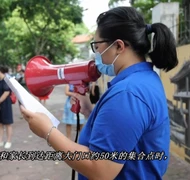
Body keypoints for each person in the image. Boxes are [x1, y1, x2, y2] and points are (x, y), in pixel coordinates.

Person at [20, 6, 178, 180]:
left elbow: (100, 169)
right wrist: (90, 111)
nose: (96, 54)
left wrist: (48, 132)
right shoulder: (145, 79)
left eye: (97, 46)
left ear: (118, 46)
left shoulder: (127, 94)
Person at [0, 65, 14, 149]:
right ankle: (0, 141)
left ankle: (8, 141)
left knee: (7, 123)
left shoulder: (6, 81)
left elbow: (6, 93)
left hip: (5, 104)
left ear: (0, 71)